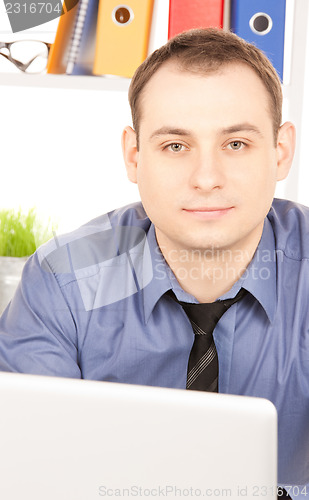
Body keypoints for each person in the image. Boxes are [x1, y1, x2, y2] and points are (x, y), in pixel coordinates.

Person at [0, 28, 308, 496]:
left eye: (236, 144)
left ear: (280, 151)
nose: (207, 179)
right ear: (134, 155)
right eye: (176, 146)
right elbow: (29, 477)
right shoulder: (61, 281)